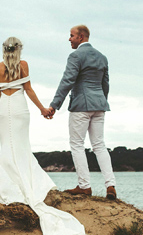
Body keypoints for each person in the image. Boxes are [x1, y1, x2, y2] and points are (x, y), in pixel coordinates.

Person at [0, 36, 94, 235]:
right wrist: (41, 109)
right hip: (19, 108)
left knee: (7, 148)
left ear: (4, 50)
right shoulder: (24, 65)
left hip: (4, 109)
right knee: (20, 146)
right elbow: (27, 89)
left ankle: (12, 187)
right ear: (19, 50)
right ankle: (24, 185)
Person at [44, 25, 117, 200]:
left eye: (71, 36)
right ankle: (111, 185)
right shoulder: (102, 57)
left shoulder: (76, 55)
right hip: (100, 105)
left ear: (81, 37)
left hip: (81, 105)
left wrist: (55, 104)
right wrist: (101, 101)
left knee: (77, 144)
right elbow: (105, 84)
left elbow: (67, 80)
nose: (69, 39)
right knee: (99, 145)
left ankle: (84, 186)